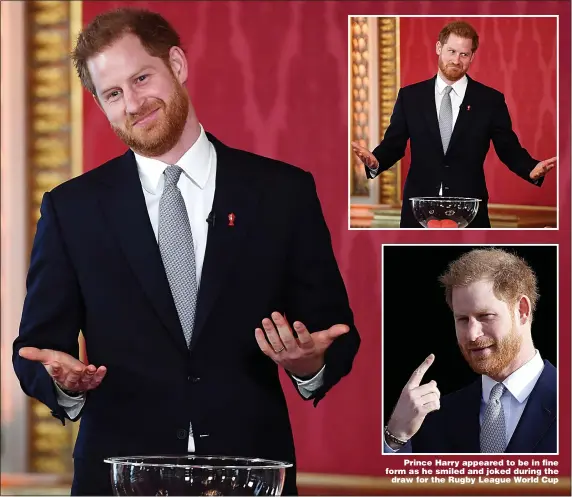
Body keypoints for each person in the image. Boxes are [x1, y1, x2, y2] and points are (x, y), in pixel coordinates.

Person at [12, 8, 360, 495]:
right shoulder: (71, 209)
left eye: (141, 78)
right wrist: (63, 385)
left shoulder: (282, 193)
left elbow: (333, 331)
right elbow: (35, 350)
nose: (132, 103)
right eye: (113, 94)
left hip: (251, 471)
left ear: (176, 64)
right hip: (118, 475)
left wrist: (308, 365)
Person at [351, 21, 556, 228]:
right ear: (439, 48)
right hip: (419, 211)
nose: (456, 60)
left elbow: (508, 148)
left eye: (464, 54)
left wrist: (531, 168)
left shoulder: (489, 100)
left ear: (472, 57)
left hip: (469, 212)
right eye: (451, 51)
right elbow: (394, 144)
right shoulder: (411, 96)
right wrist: (375, 161)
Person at [383, 248, 556, 453]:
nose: (472, 335)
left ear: (522, 311)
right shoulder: (434, 417)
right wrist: (395, 437)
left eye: (485, 316)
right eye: (463, 319)